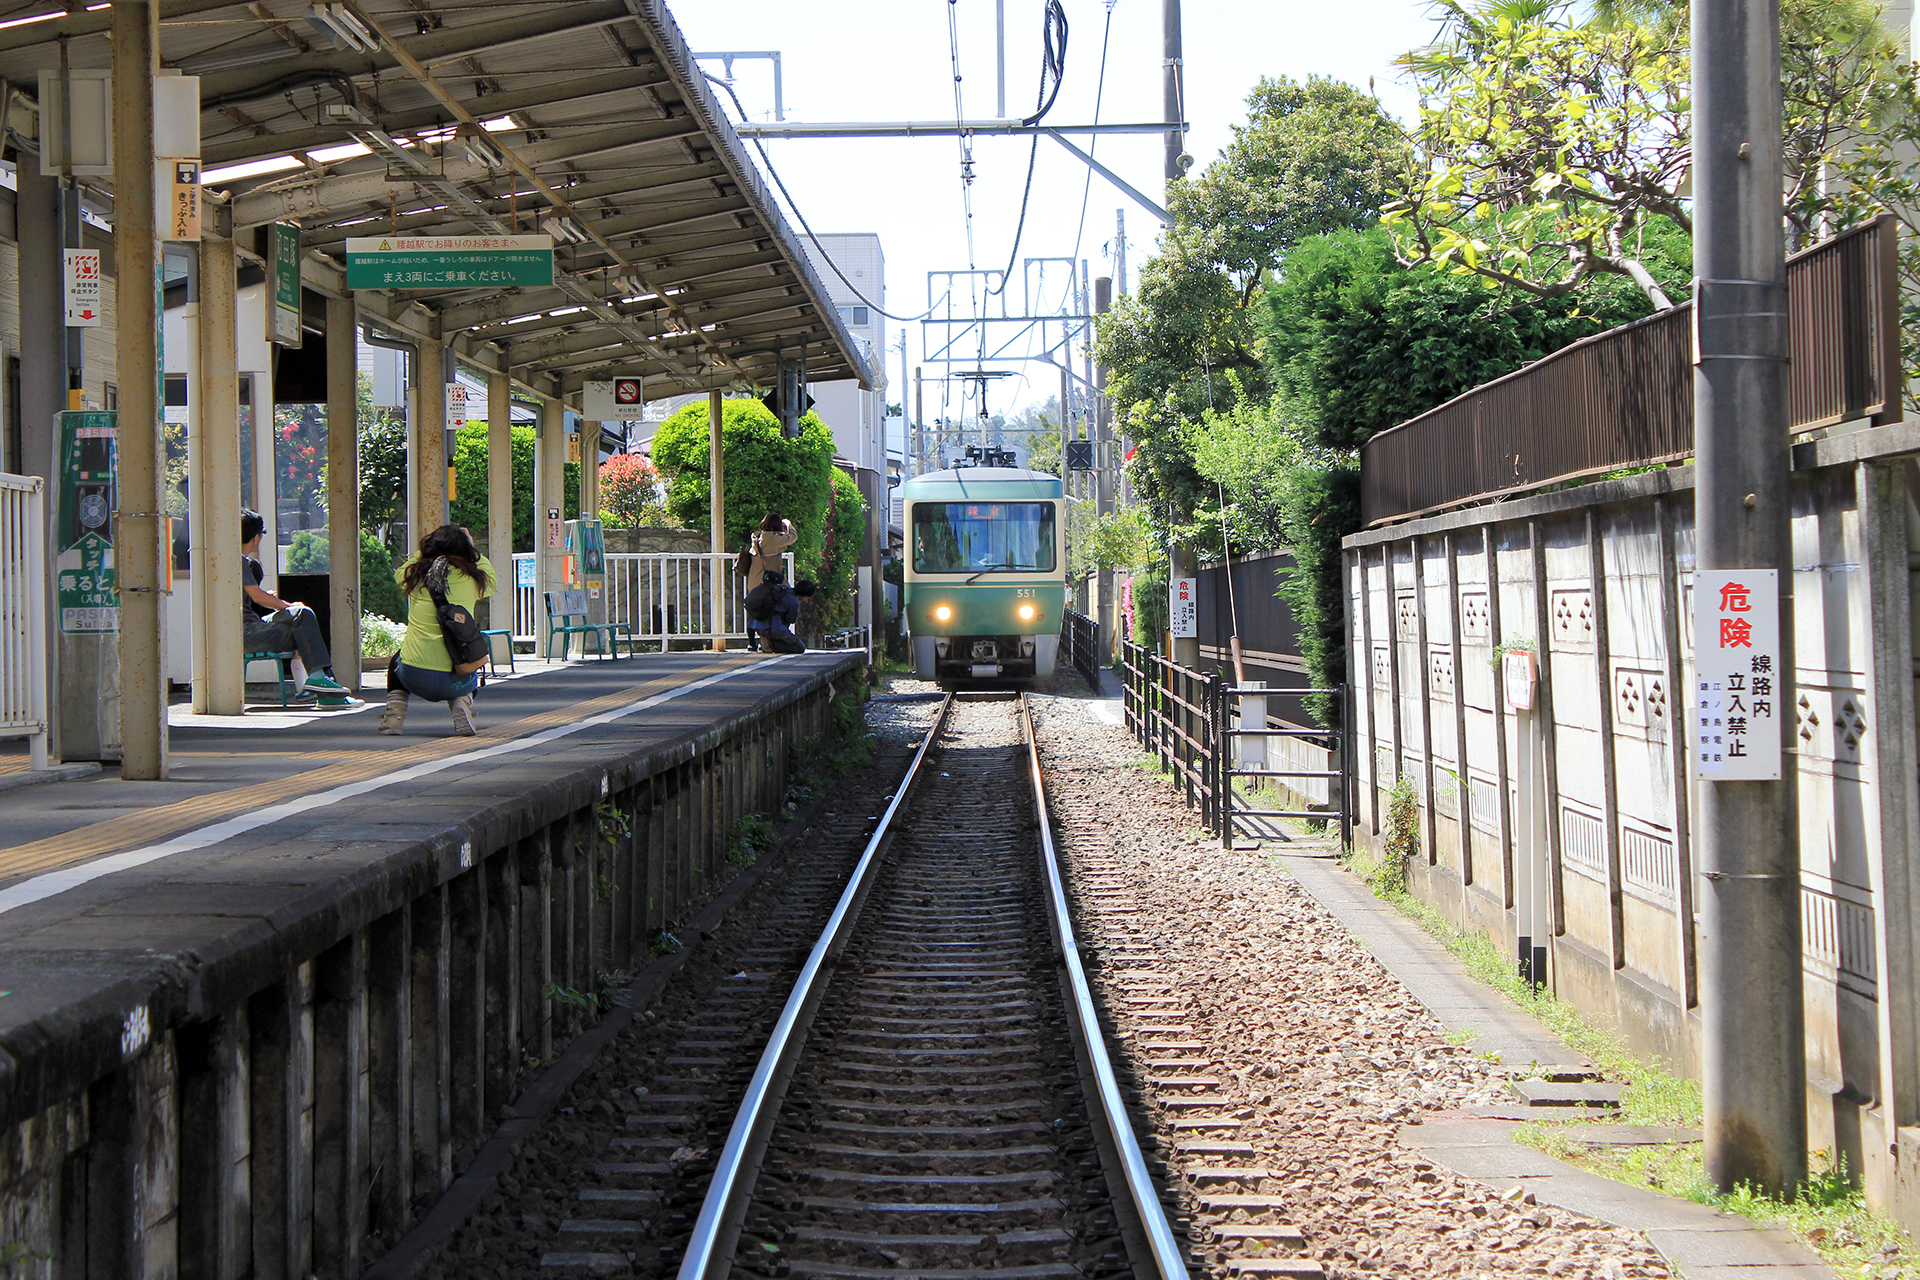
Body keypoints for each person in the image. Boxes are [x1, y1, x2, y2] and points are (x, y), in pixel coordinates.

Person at [379, 525, 497, 737]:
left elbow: (397, 574)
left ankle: (394, 718)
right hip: (458, 679)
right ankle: (462, 701)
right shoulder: (474, 580)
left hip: (415, 677)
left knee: (397, 660)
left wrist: (424, 553)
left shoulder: (413, 578)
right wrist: (472, 549)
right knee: (473, 658)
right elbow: (491, 578)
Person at [241, 509, 348, 702]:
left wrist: (282, 604)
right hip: (247, 633)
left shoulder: (237, 562)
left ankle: (316, 683)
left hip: (250, 626)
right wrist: (287, 605)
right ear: (256, 537)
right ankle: (322, 684)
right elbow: (258, 597)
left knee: (302, 618)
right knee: (303, 621)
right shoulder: (239, 562)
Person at [740, 511, 797, 587]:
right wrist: (788, 524)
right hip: (769, 581)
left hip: (754, 580)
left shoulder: (757, 536)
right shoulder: (774, 539)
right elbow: (793, 536)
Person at [765, 579, 816, 654]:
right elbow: (791, 620)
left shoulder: (782, 589)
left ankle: (766, 640)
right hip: (773, 627)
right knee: (800, 648)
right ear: (806, 596)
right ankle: (771, 645)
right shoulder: (794, 601)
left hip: (756, 623)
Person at [743, 568, 785, 652]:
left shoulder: (758, 588)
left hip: (752, 608)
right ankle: (769, 644)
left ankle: (752, 643)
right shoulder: (777, 590)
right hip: (766, 615)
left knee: (751, 622)